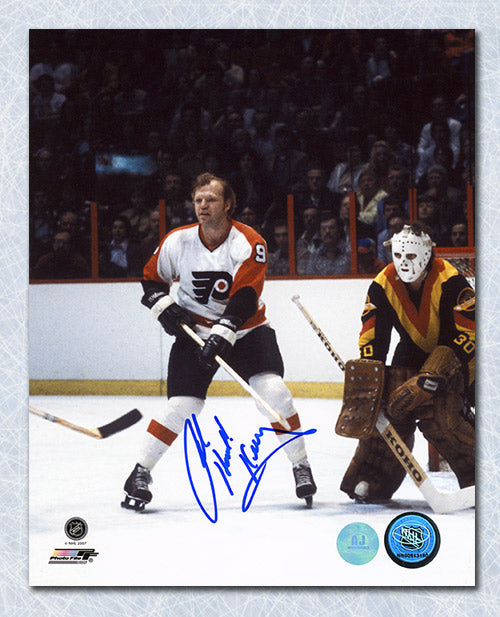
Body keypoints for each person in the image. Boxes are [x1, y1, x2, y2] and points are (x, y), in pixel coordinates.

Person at [122, 172, 317, 511]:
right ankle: (140, 472)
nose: (203, 205)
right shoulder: (177, 241)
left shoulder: (249, 241)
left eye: (211, 199)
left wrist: (223, 332)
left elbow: (245, 295)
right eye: (198, 200)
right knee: (182, 406)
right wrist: (165, 307)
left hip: (247, 331)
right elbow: (150, 280)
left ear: (228, 204)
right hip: (194, 334)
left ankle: (301, 465)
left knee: (274, 393)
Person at [339, 223, 475, 504]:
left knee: (441, 416)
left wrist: (434, 375)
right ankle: (374, 477)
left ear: (426, 254)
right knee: (388, 406)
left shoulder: (451, 280)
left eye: (411, 256)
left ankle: (480, 475)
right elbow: (373, 333)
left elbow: (469, 333)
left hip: (461, 359)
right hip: (413, 352)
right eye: (398, 255)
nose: (404, 262)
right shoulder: (382, 283)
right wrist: (370, 374)